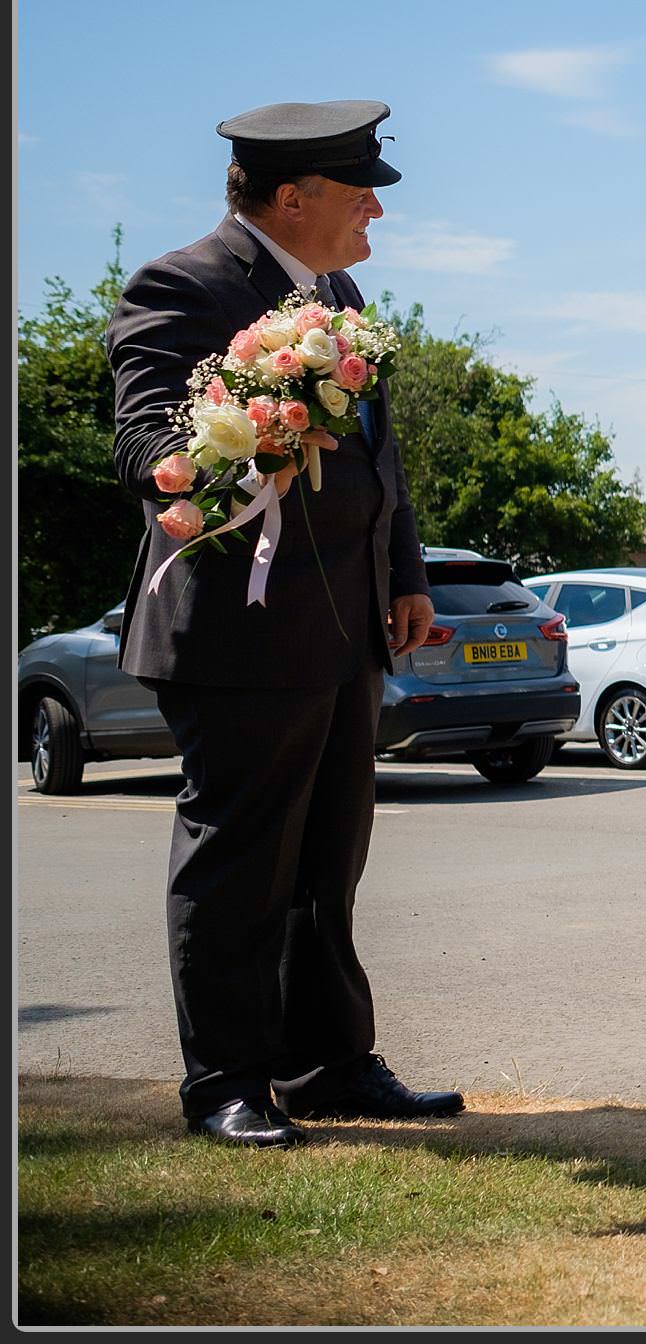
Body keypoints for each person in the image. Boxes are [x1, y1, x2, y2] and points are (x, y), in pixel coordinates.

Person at [106, 100, 462, 1148]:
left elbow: (377, 458)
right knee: (241, 864)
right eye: (362, 196)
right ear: (293, 197)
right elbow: (142, 451)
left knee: (327, 862)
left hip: (343, 623)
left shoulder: (338, 293)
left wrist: (405, 571)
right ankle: (225, 1080)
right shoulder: (181, 286)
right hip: (234, 630)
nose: (375, 218)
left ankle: (329, 1062)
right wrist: (259, 415)